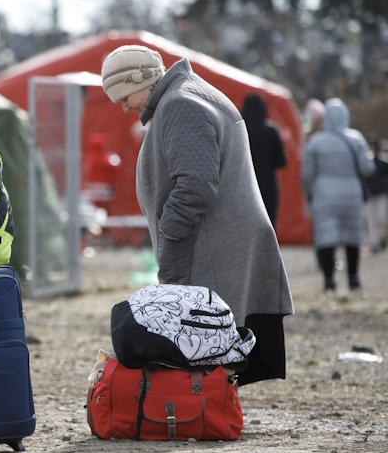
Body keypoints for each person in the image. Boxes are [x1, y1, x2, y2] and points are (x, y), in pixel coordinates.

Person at [100, 45, 293, 386]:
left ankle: (203, 410)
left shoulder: (180, 104)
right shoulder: (188, 93)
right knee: (213, 341)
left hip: (207, 248)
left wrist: (169, 234)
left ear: (141, 81)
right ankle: (209, 406)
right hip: (217, 243)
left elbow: (195, 187)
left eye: (123, 95)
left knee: (203, 338)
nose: (122, 106)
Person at [300, 98, 375, 295]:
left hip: (324, 193)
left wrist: (308, 191)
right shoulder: (356, 139)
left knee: (326, 236)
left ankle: (328, 282)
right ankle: (354, 281)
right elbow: (367, 168)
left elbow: (306, 174)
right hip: (351, 192)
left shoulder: (316, 142)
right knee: (353, 235)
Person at [241, 94, 287, 228]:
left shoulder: (240, 130)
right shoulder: (272, 130)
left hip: (245, 185)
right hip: (268, 185)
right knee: (268, 227)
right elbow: (281, 161)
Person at [364, 136, 388, 254]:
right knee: (371, 220)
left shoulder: (383, 161)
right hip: (370, 194)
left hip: (381, 194)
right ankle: (375, 243)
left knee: (382, 218)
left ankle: (384, 237)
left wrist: (383, 185)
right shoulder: (366, 160)